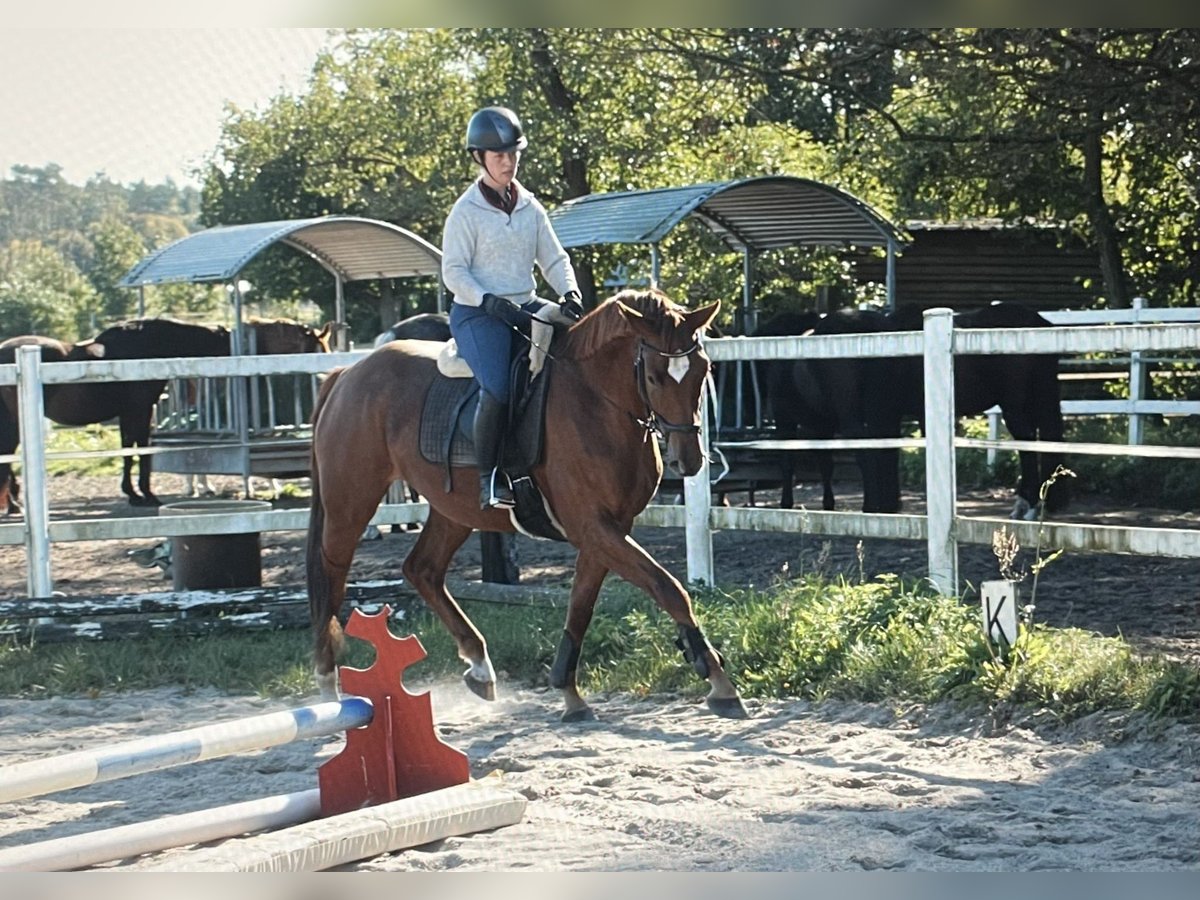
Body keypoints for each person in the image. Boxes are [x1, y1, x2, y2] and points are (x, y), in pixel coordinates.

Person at [441, 105, 584, 510]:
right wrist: (487, 300)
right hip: (477, 313)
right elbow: (453, 271)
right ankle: (489, 479)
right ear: (479, 158)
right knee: (500, 387)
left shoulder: (530, 207)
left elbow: (555, 260)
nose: (508, 162)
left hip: (525, 304)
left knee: (579, 352)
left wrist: (569, 292)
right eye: (498, 155)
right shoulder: (465, 212)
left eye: (513, 153)